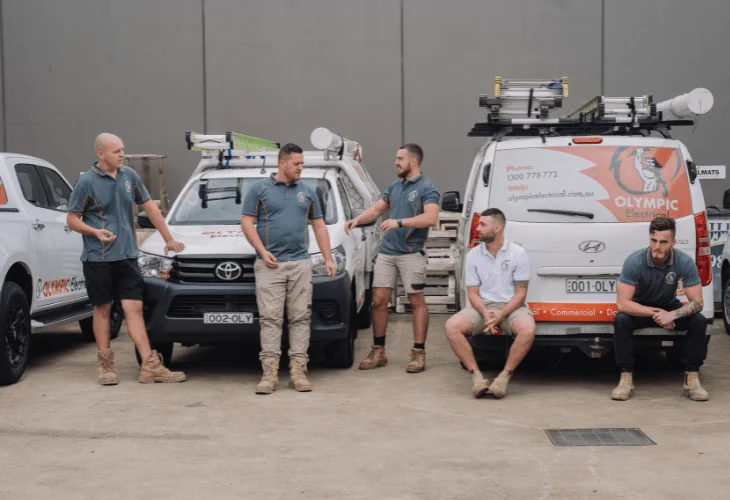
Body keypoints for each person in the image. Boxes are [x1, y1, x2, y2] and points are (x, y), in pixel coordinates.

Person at [67, 133, 186, 385]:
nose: (122, 154)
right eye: (116, 151)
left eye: (122, 149)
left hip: (128, 256)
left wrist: (168, 238)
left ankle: (149, 365)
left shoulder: (129, 176)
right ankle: (105, 366)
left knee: (135, 309)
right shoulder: (86, 182)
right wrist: (94, 232)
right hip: (97, 259)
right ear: (101, 154)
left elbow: (150, 208)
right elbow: (72, 219)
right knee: (103, 310)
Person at [241, 143, 336, 394]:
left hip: (300, 264)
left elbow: (320, 227)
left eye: (302, 163)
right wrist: (262, 251)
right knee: (271, 319)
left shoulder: (308, 192)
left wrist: (327, 259)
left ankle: (298, 371)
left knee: (300, 318)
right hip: (269, 265)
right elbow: (247, 223)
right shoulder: (259, 190)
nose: (300, 168)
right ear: (282, 163)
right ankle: (269, 373)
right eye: (297, 164)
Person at [345, 144, 440, 373]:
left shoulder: (428, 188)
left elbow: (431, 218)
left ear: (413, 161)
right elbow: (377, 210)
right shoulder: (395, 186)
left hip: (410, 253)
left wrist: (400, 222)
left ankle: (418, 353)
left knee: (416, 301)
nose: (395, 162)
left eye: (400, 158)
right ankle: (379, 351)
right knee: (378, 301)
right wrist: (357, 220)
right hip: (387, 252)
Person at [612, 216, 709, 401]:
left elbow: (698, 302)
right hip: (642, 307)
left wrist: (672, 314)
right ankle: (626, 377)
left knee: (699, 320)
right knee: (621, 319)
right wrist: (658, 314)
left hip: (668, 306)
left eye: (663, 242)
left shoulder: (684, 261)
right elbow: (623, 303)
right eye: (654, 240)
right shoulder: (634, 261)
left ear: (673, 242)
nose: (657, 246)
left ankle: (692, 378)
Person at [444, 208, 535, 399]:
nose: (477, 228)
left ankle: (503, 377)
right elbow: (472, 293)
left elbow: (520, 295)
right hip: (481, 307)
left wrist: (501, 315)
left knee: (527, 328)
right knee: (452, 326)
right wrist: (485, 313)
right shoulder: (474, 255)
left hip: (511, 307)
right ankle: (477, 377)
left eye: (483, 224)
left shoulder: (518, 253)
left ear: (497, 227)